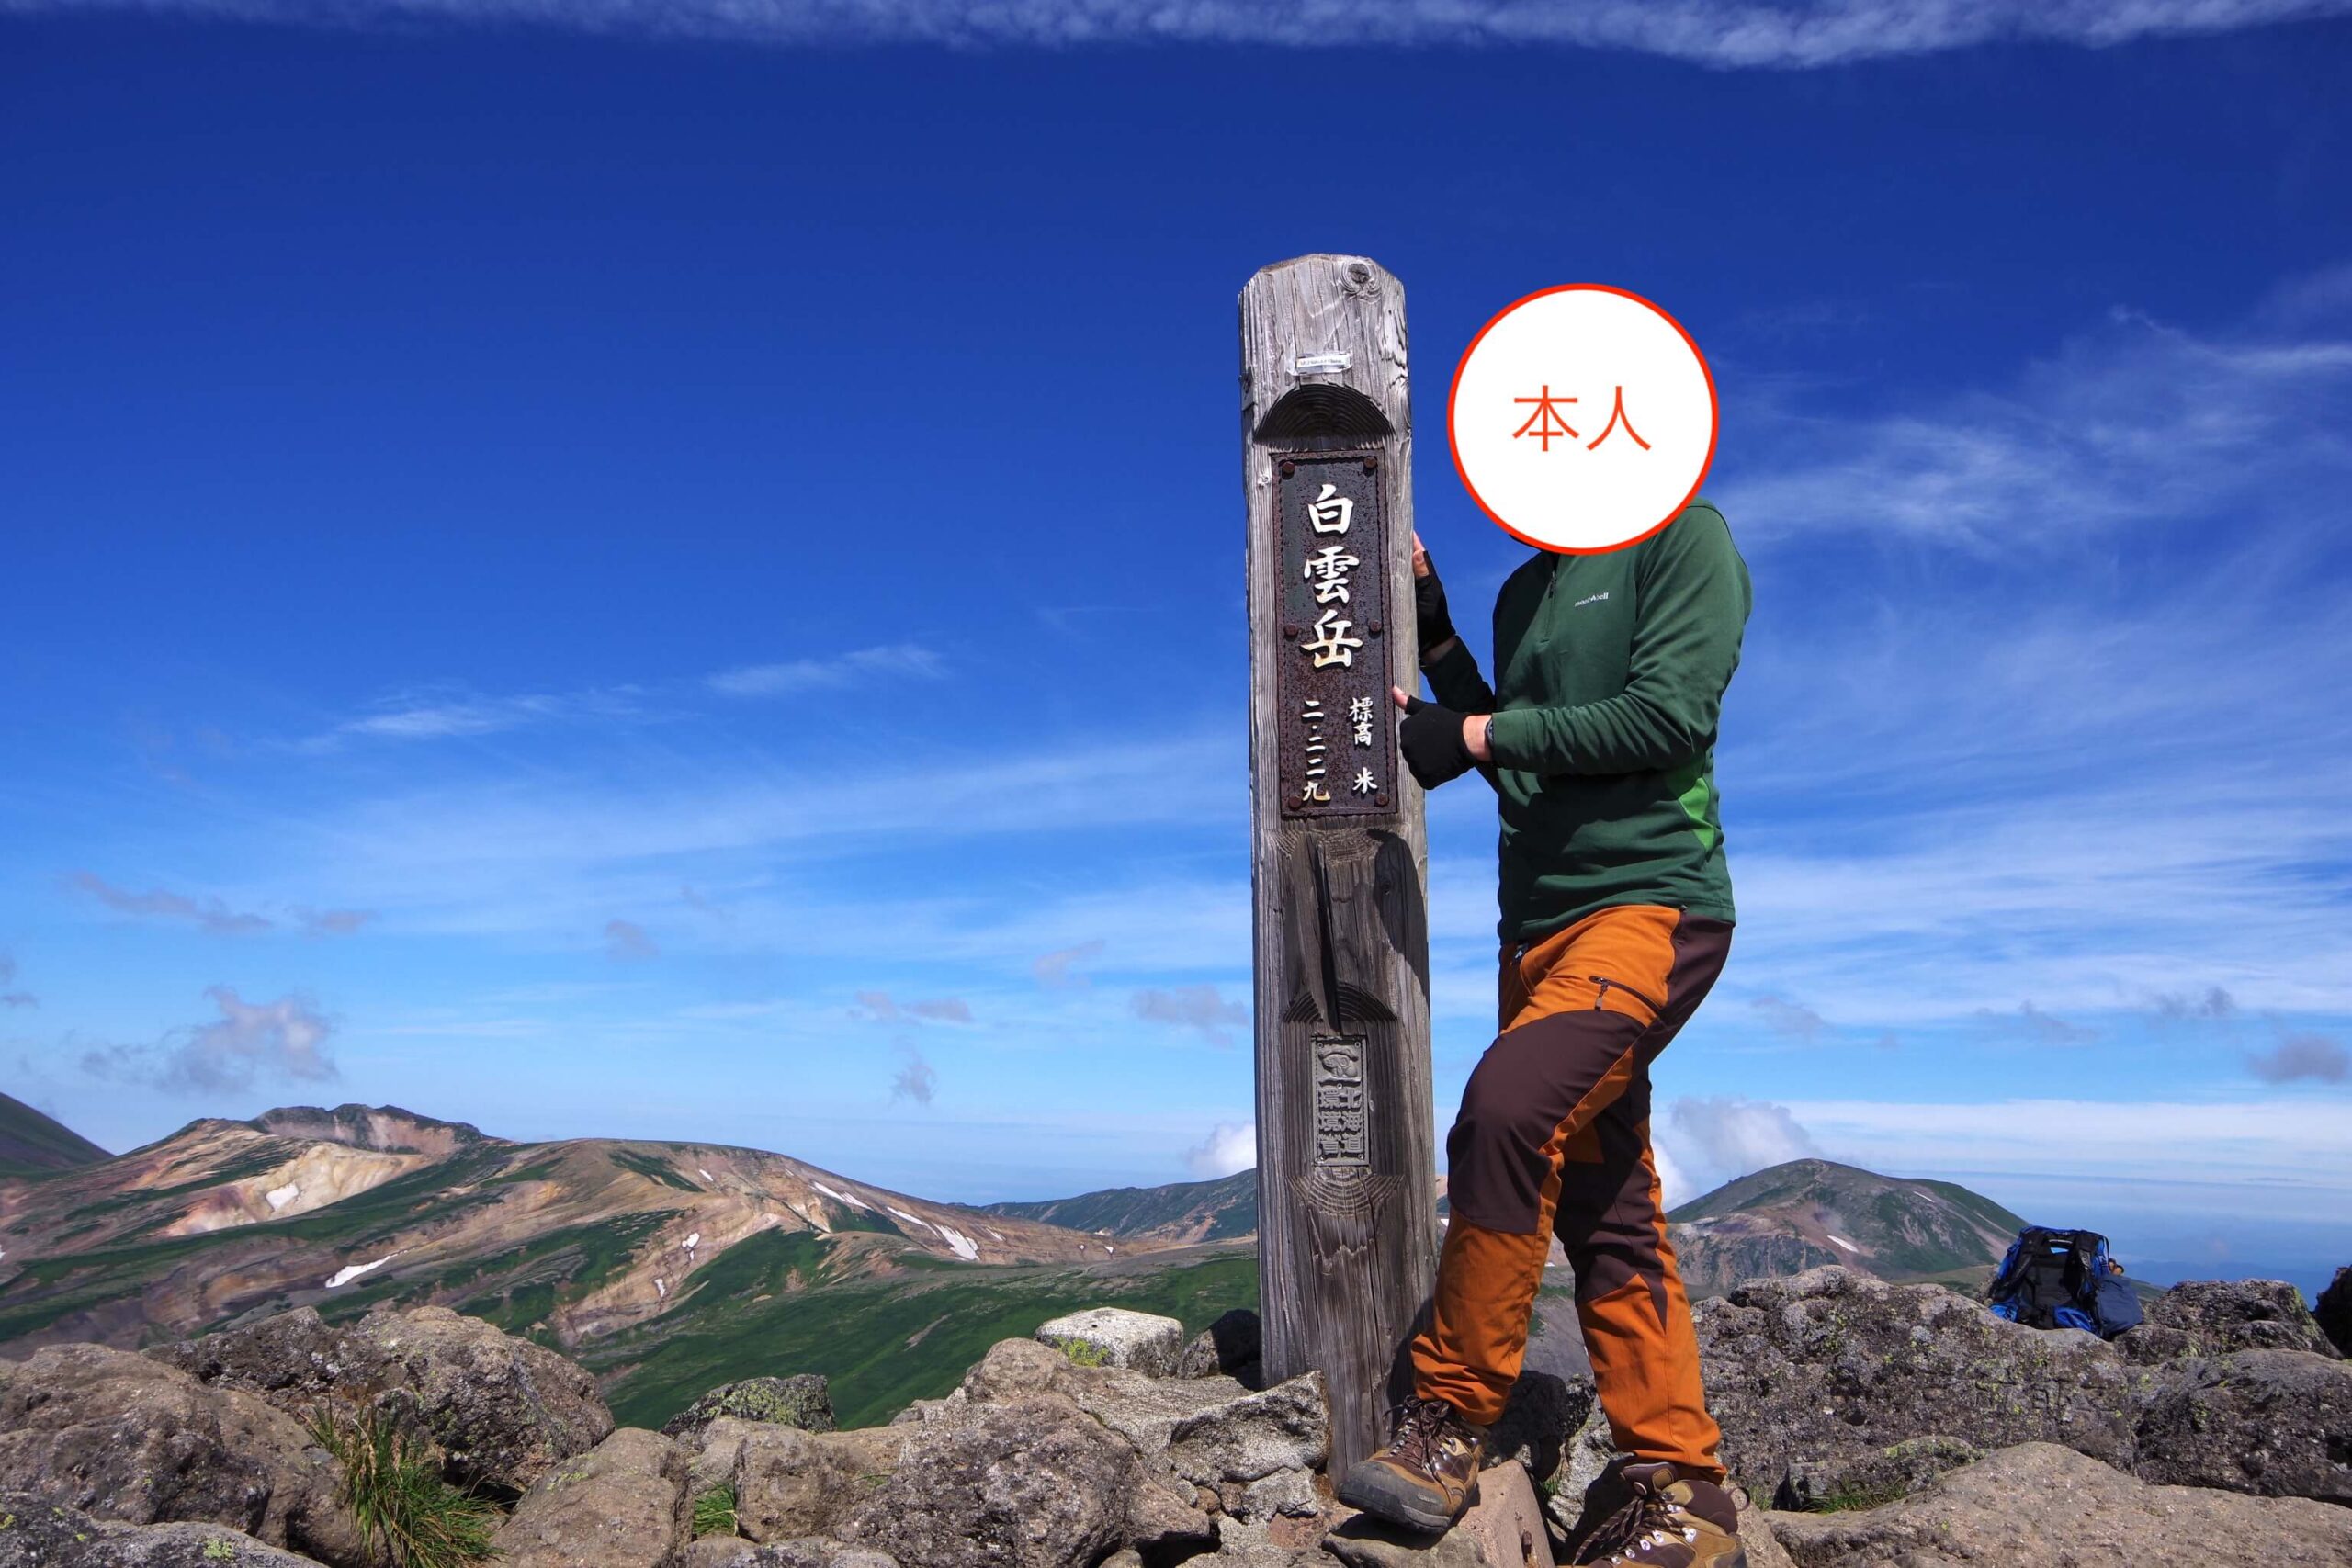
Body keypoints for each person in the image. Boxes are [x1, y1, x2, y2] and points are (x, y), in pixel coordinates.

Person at [1335, 500, 1753, 1568]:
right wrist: (1434, 635)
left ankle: (1448, 1417)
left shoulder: (1679, 538)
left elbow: (1666, 717)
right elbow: (1524, 750)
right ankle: (1683, 1488)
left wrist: (1467, 732)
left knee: (1510, 1110)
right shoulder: (1527, 587)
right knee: (1606, 1198)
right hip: (1535, 936)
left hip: (1649, 906)